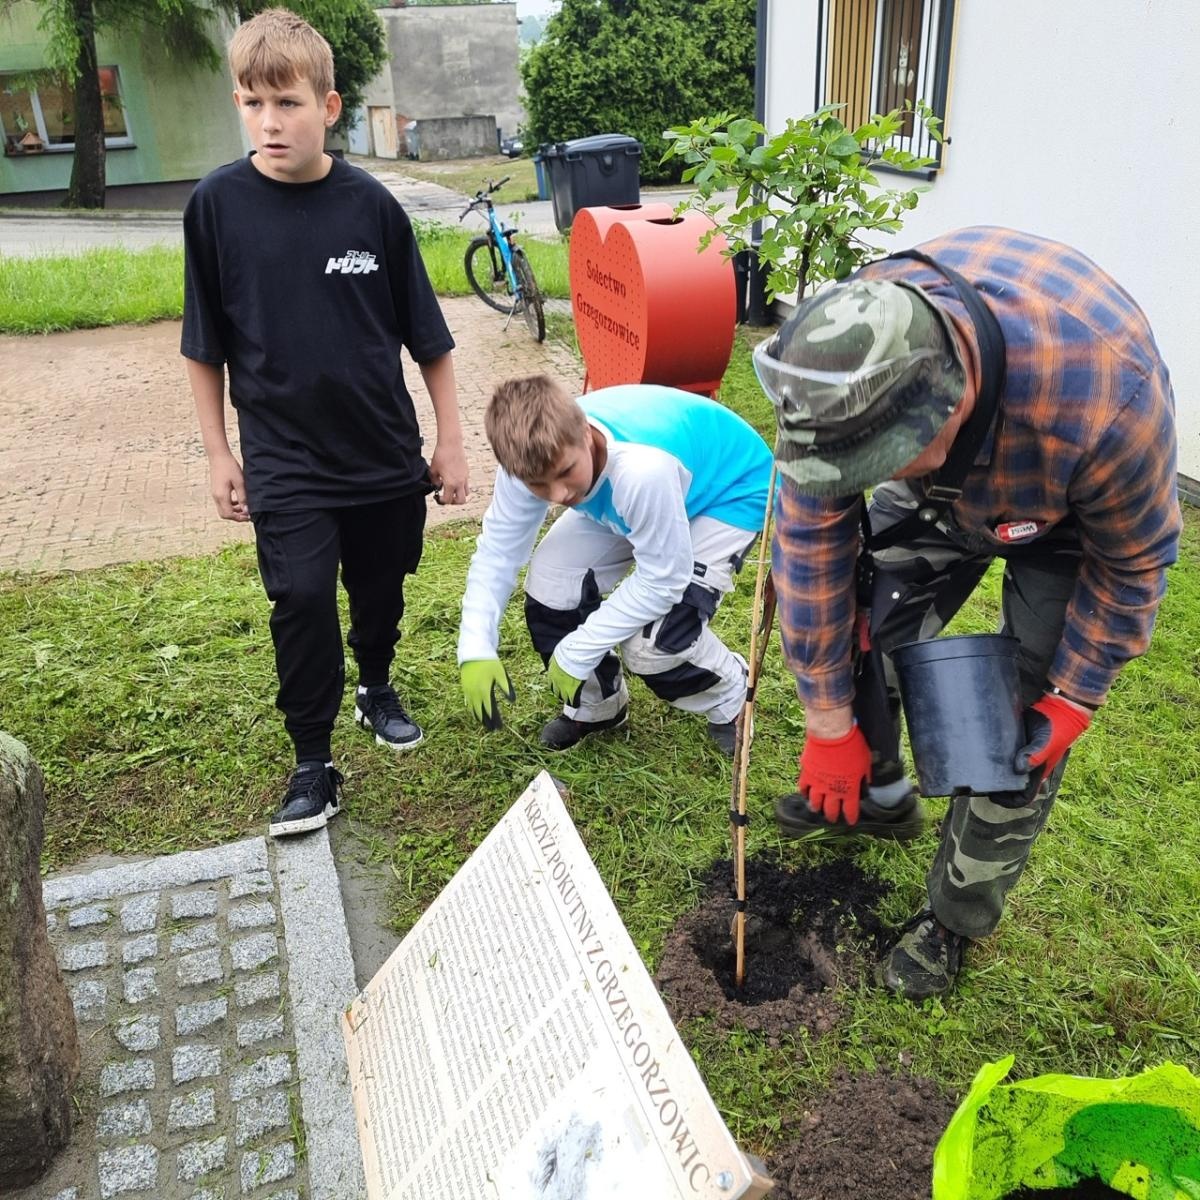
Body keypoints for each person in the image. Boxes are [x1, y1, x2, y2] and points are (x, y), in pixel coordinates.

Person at [755, 226, 1181, 1000]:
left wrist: (1075, 693)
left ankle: (953, 919)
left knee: (1016, 738)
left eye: (871, 466)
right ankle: (879, 793)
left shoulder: (1108, 408)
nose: (855, 482)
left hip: (1064, 516)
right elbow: (813, 539)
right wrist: (826, 717)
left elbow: (1132, 562)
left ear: (945, 403)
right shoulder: (846, 356)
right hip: (942, 492)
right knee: (866, 622)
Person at [181, 9, 469, 838]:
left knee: (381, 585)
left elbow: (430, 340)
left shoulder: (372, 208)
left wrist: (447, 443)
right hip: (285, 458)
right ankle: (314, 760)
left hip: (382, 453)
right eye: (251, 103)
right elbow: (204, 345)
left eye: (288, 103)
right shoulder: (216, 207)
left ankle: (376, 680)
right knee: (301, 597)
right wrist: (217, 452)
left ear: (330, 106)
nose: (270, 123)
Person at [457, 375, 773, 755]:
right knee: (552, 586)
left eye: (565, 472)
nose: (559, 496)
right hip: (644, 496)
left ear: (585, 435)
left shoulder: (642, 470)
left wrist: (579, 648)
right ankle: (599, 706)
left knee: (653, 645)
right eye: (539, 486)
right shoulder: (526, 464)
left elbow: (662, 580)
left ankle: (732, 697)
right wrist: (475, 645)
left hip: (726, 492)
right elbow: (497, 552)